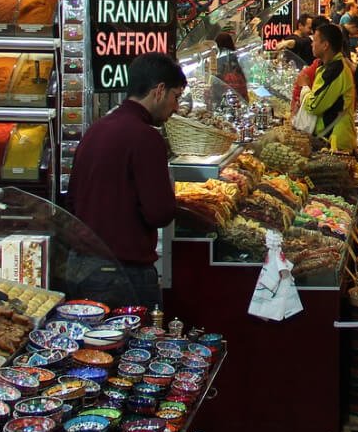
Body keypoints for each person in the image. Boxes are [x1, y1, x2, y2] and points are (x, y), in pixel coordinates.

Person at [66, 53, 186, 308]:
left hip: (81, 267)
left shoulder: (96, 129)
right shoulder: (146, 138)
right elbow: (159, 213)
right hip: (123, 274)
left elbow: (73, 199)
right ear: (159, 91)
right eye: (176, 97)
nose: (176, 108)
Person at [302, 21, 357, 151]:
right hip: (329, 138)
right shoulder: (329, 66)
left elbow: (314, 106)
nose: (312, 44)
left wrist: (305, 88)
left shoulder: (335, 70)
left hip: (335, 142)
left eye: (315, 40)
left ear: (325, 45)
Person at [212, 32, 248, 105]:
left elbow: (216, 77)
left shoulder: (217, 58)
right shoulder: (236, 56)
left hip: (224, 94)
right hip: (239, 95)